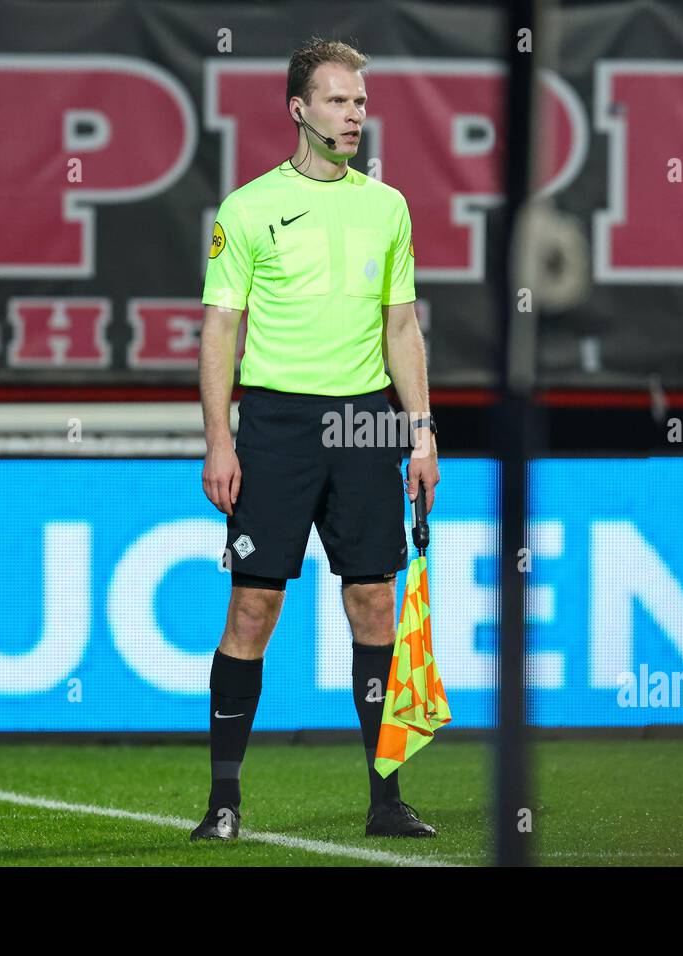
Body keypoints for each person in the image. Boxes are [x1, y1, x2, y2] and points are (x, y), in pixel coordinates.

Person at [193, 36, 439, 840]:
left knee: (375, 604)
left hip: (367, 420)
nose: (353, 115)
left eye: (361, 102)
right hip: (278, 423)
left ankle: (386, 801)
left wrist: (423, 432)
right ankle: (224, 803)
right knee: (254, 607)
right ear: (298, 109)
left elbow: (402, 327)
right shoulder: (249, 206)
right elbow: (219, 330)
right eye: (338, 100)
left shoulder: (388, 206)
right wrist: (220, 440)